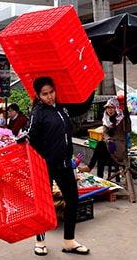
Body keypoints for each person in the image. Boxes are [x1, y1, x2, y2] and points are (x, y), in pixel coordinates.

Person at [17, 76, 93, 256]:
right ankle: (40, 241)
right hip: (45, 165)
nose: (50, 96)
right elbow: (31, 132)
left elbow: (83, 106)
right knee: (44, 203)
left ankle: (69, 241)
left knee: (72, 199)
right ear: (38, 96)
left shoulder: (63, 107)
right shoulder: (39, 112)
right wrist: (25, 138)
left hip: (65, 164)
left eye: (52, 92)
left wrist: (90, 86)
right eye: (45, 94)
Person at [79, 98, 131, 178]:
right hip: (109, 145)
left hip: (119, 146)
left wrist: (127, 118)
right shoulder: (106, 118)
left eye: (112, 108)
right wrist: (109, 141)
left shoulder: (122, 118)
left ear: (116, 108)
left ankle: (90, 167)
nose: (110, 110)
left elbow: (128, 129)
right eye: (108, 108)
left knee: (101, 146)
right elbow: (105, 133)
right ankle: (99, 176)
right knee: (101, 150)